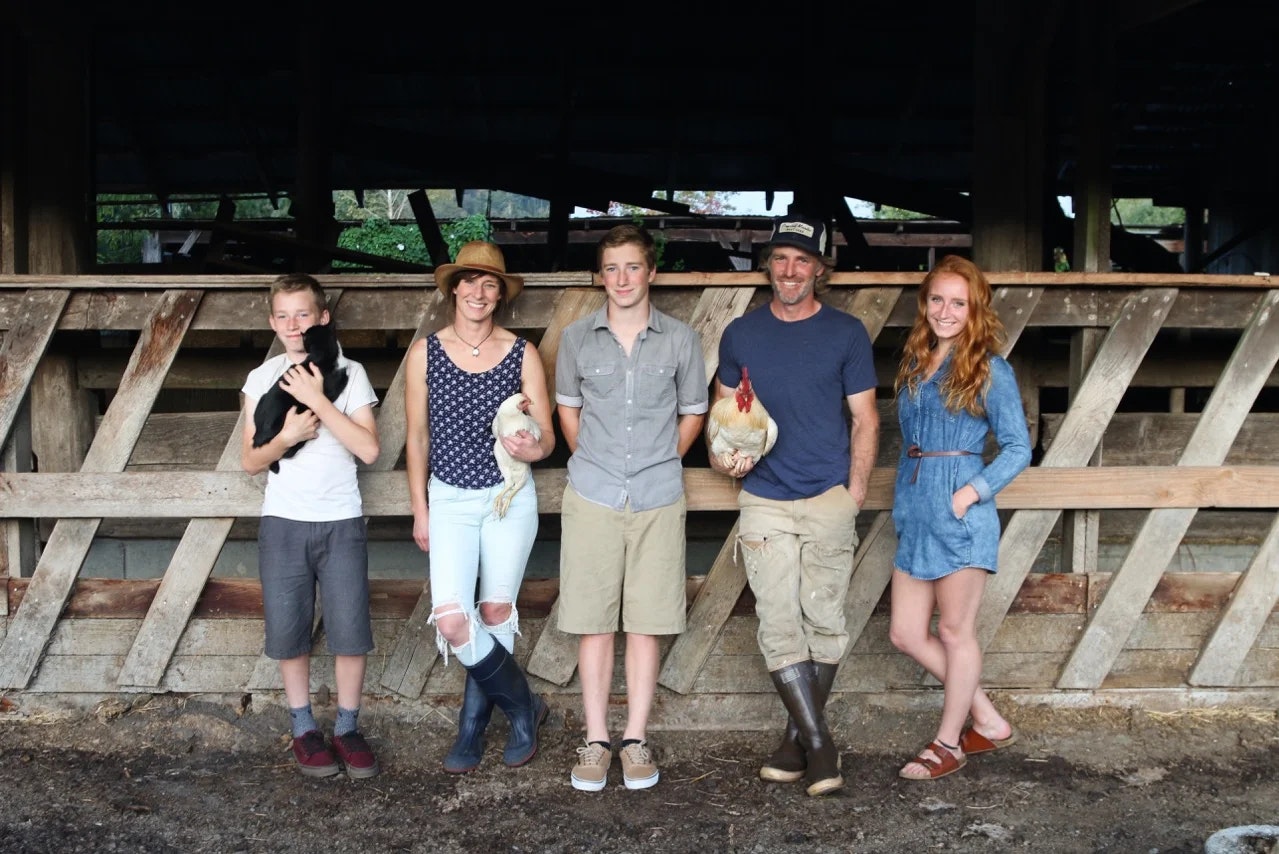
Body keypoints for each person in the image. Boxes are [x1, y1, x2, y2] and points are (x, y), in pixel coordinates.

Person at [710, 213, 879, 797]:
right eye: (780, 258)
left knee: (824, 621)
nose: (790, 269)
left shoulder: (847, 333)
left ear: (819, 269)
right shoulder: (742, 335)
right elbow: (725, 419)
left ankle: (793, 742)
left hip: (829, 495)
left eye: (802, 260)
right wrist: (722, 459)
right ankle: (822, 748)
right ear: (769, 266)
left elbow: (864, 418)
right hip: (764, 500)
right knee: (778, 622)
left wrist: (853, 494)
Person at [555, 224, 708, 792]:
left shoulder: (680, 339)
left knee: (647, 621)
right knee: (593, 621)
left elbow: (694, 411)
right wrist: (594, 461)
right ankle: (596, 740)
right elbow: (568, 411)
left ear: (651, 273)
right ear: (601, 276)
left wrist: (659, 459)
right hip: (592, 492)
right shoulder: (576, 339)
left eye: (632, 267)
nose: (622, 278)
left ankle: (635, 738)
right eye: (611, 268)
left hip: (658, 494)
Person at [404, 241, 556, 772]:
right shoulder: (425, 352)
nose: (479, 292)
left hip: (507, 496)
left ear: (500, 295)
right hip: (448, 497)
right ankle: (524, 706)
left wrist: (531, 448)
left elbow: (548, 440)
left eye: (490, 284)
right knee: (451, 617)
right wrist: (420, 510)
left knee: (493, 612)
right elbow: (417, 438)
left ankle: (471, 728)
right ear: (453, 288)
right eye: (470, 281)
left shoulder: (523, 353)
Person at [888, 254, 1031, 781]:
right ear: (925, 303)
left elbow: (1018, 447)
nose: (945, 311)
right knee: (905, 632)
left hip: (960, 508)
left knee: (954, 630)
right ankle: (987, 717)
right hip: (914, 506)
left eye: (958, 303)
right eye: (937, 300)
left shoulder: (991, 368)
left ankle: (948, 743)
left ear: (975, 311)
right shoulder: (914, 362)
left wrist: (971, 492)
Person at [240, 272, 382, 778]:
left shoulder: (350, 372)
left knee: (349, 629)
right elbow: (252, 461)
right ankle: (303, 728)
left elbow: (368, 448)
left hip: (340, 519)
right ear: (272, 321)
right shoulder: (261, 379)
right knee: (289, 628)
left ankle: (346, 726)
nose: (293, 324)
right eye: (283, 315)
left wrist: (320, 400)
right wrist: (288, 435)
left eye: (303, 314)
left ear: (322, 317)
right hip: (284, 520)